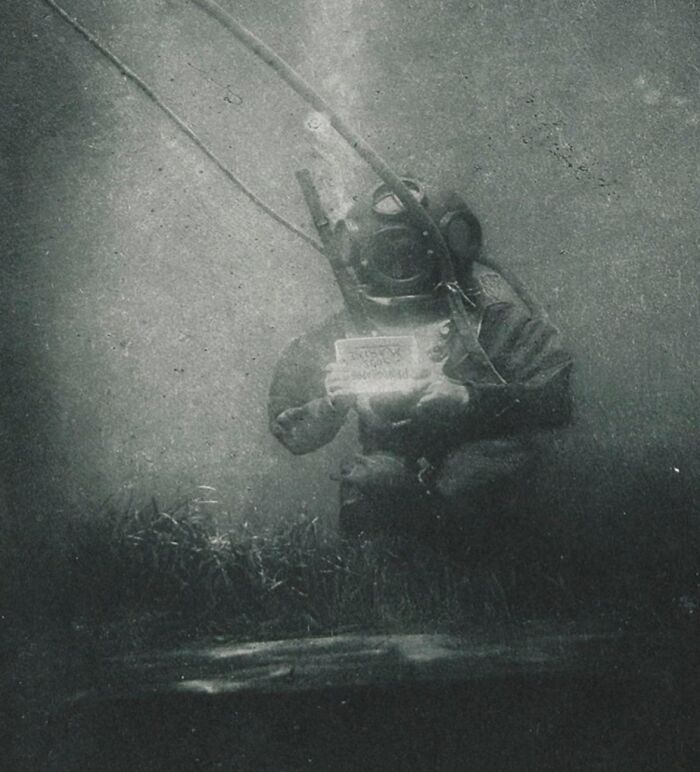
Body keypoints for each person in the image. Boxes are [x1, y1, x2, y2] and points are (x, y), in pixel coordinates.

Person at [268, 179, 573, 549]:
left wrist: (466, 399)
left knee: (480, 476)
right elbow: (290, 430)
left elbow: (555, 400)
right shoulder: (341, 332)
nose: (402, 264)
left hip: (486, 489)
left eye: (412, 254)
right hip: (389, 484)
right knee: (375, 481)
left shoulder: (499, 325)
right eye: (391, 255)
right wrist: (331, 405)